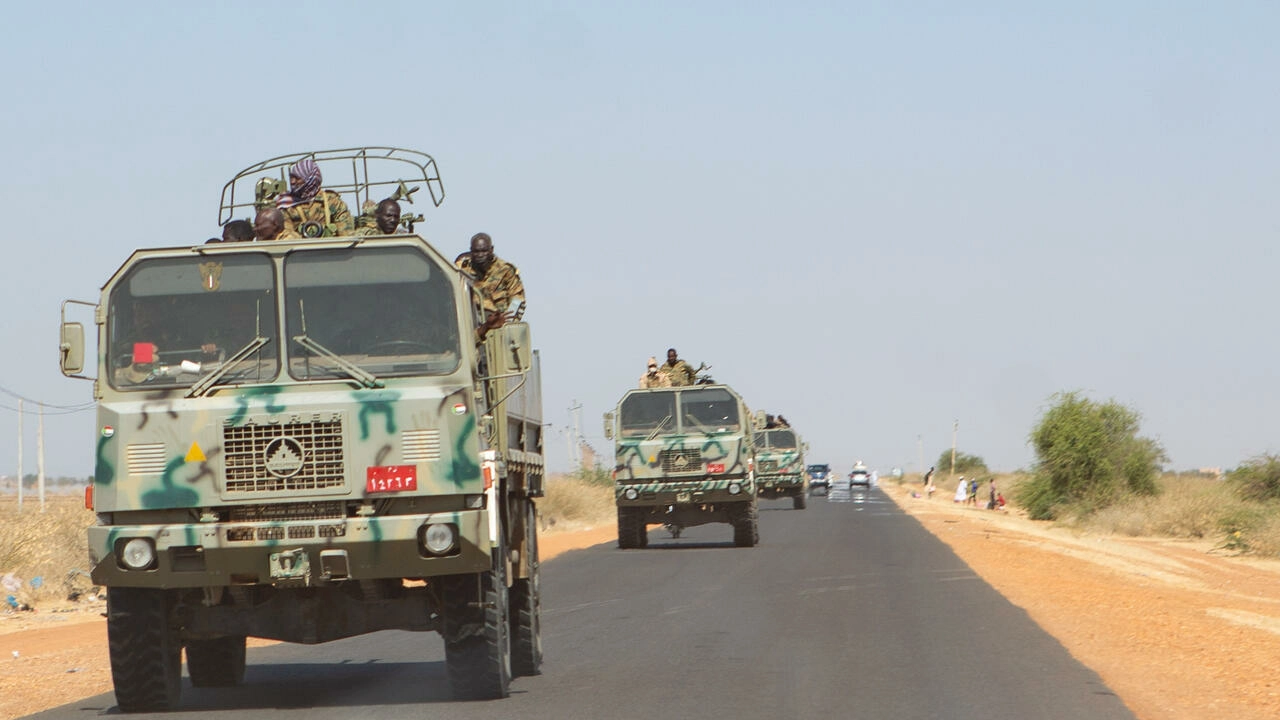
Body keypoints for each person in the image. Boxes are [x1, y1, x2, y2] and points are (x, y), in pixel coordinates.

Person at [456, 232, 525, 337]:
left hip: (498, 327)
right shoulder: (462, 270)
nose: (480, 255)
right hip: (471, 326)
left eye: (484, 251)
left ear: (491, 250)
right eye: (476, 251)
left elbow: (518, 300)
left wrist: (507, 325)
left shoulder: (505, 270)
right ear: (471, 251)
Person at [276, 157, 354, 237]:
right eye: (291, 177)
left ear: (310, 179)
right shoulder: (286, 204)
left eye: (297, 178)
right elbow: (285, 235)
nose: (292, 182)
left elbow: (346, 233)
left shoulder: (332, 201)